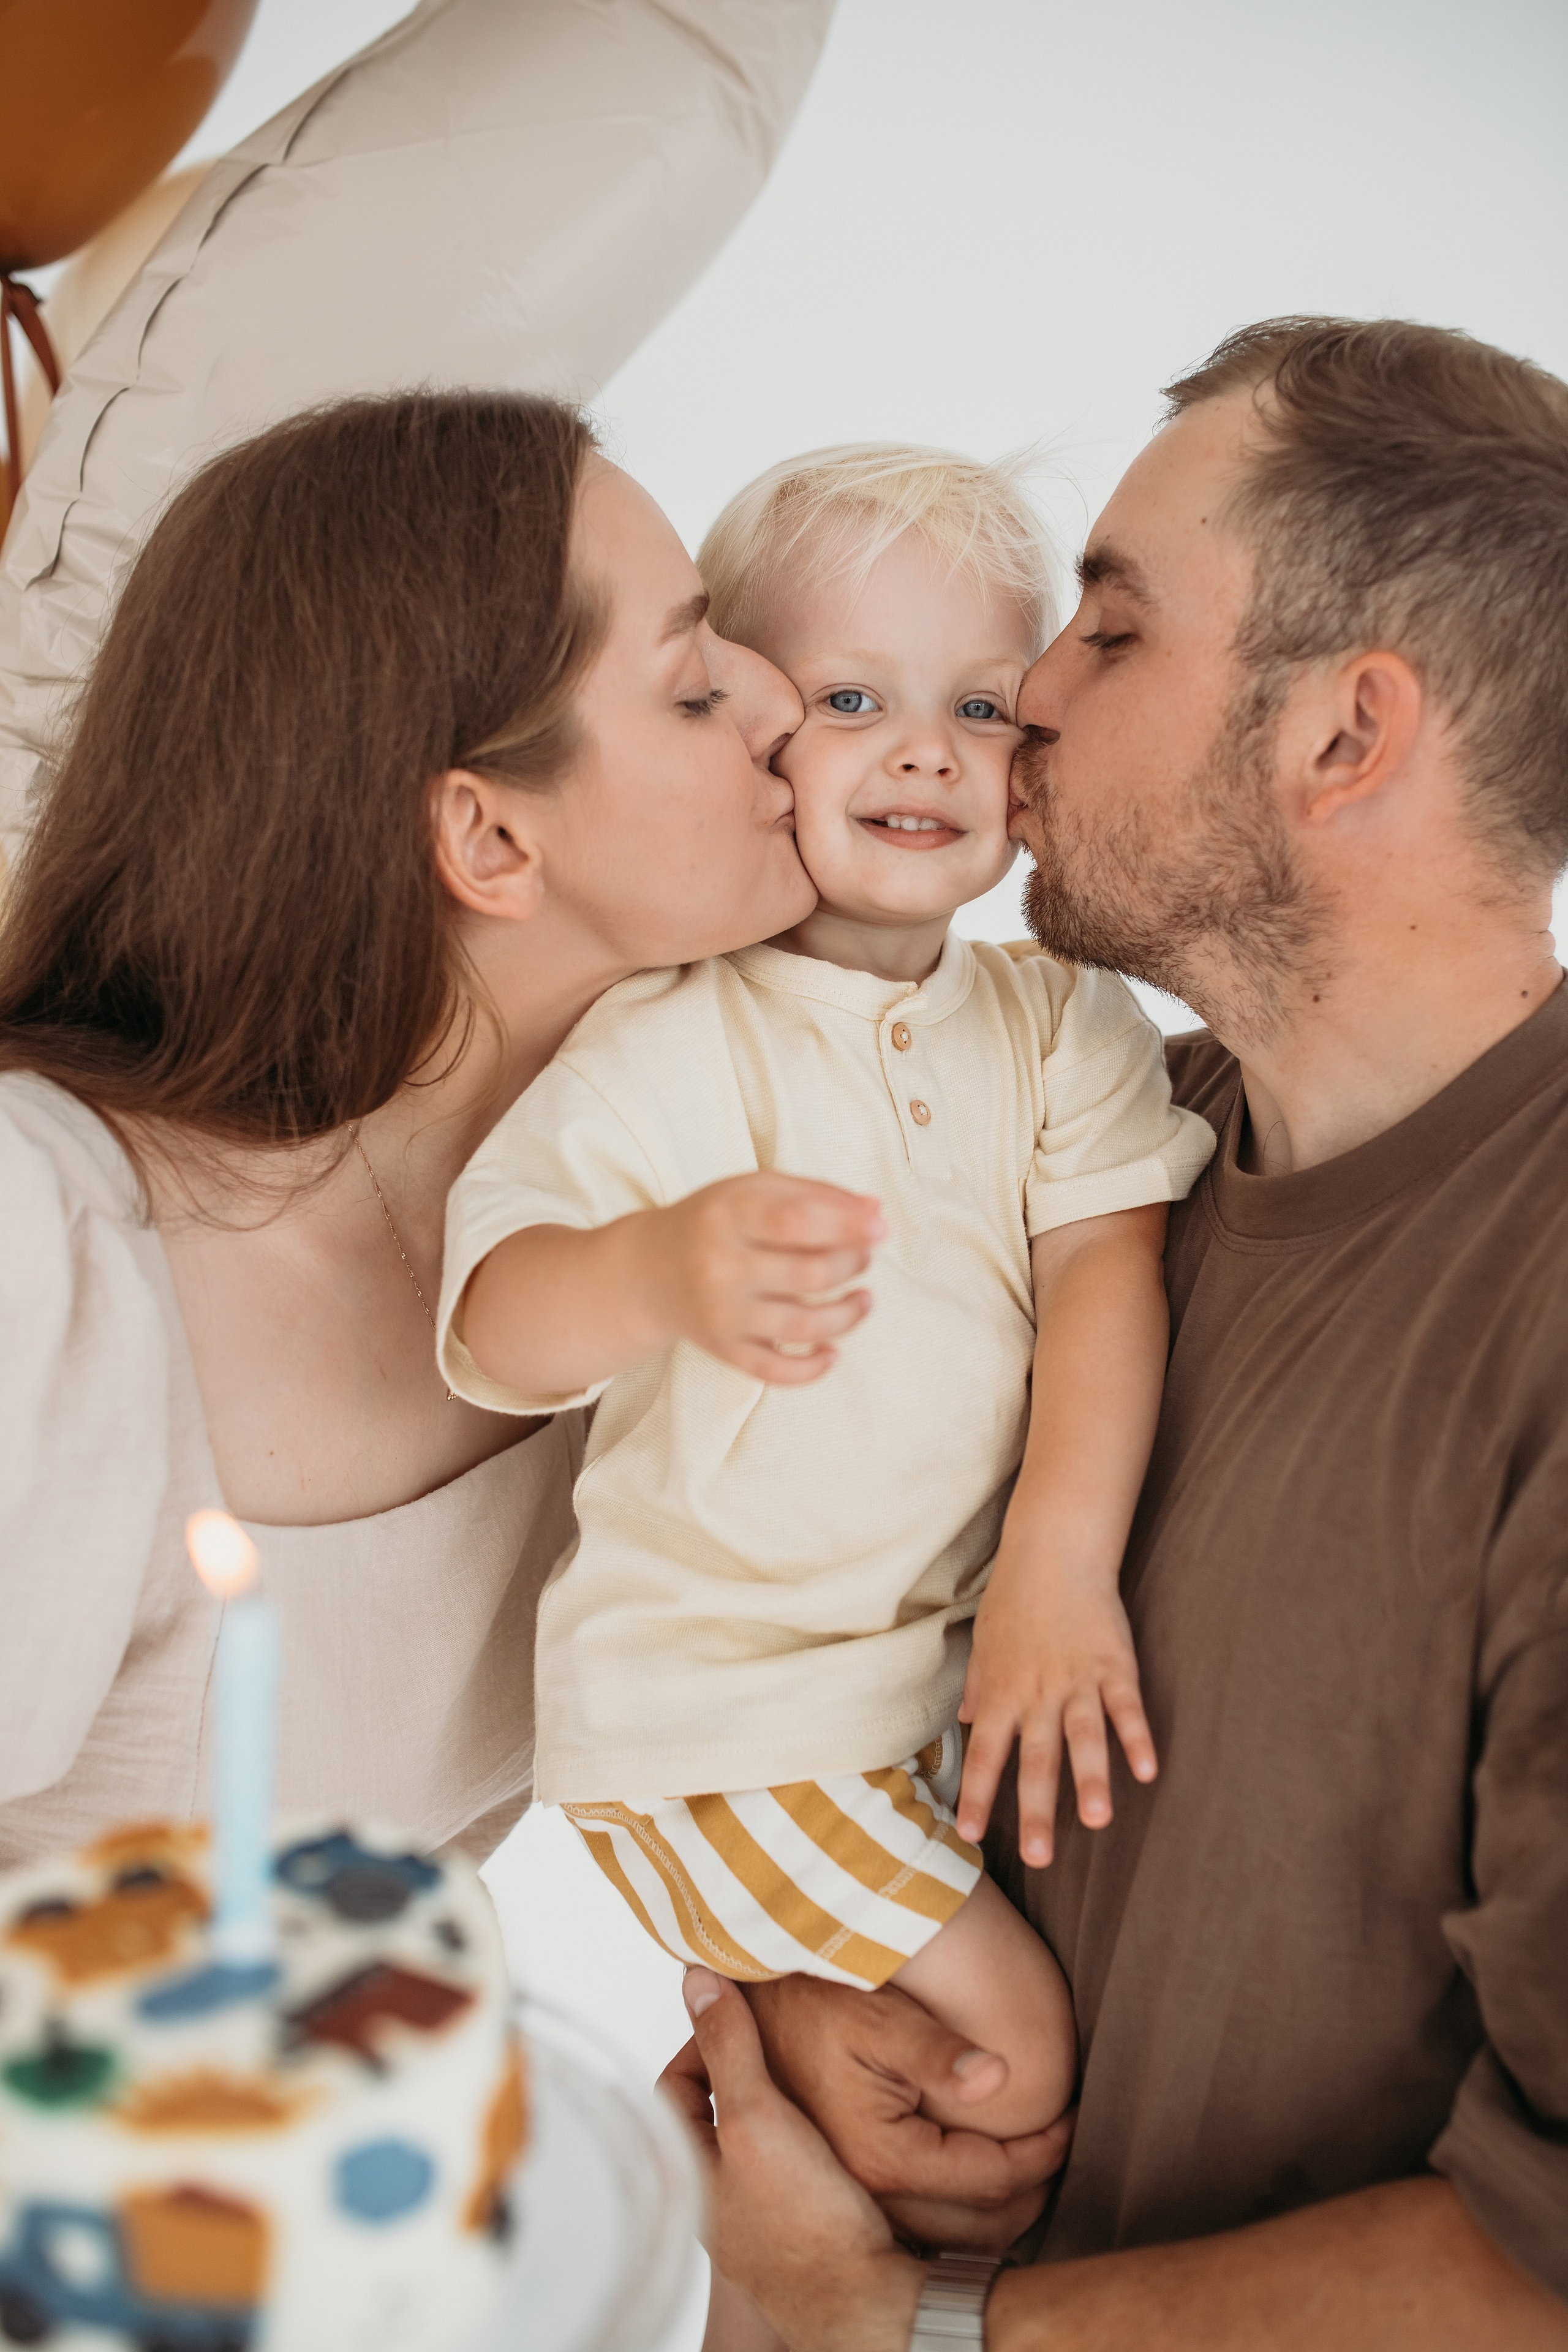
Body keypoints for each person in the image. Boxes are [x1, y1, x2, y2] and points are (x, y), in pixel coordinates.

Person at [658, 317, 1568, 2347]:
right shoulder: (1081, 1145)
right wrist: (812, 1989)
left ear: (1346, 733)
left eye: (1114, 631)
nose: (1029, 704)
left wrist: (913, 2328)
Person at [435, 442, 1212, 2343]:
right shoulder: (668, 1041)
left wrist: (1059, 1571)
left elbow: (1106, 1280)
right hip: (719, 1708)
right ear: (756, 738)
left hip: (915, 1690)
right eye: (853, 701)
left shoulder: (1064, 1025)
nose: (925, 753)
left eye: (980, 706)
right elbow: (493, 1322)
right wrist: (658, 1270)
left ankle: (816, 2286)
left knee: (898, 2109)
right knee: (1017, 2058)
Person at [0, 388, 812, 1869]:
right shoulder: (42, 1251)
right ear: (490, 840)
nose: (781, 706)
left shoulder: (623, 1246)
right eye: (693, 689)